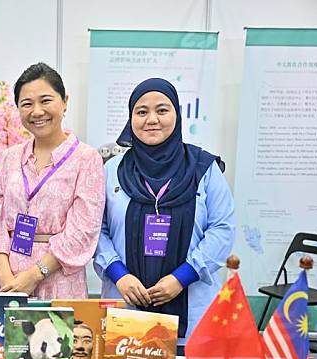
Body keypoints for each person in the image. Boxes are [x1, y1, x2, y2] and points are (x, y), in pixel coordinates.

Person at [94, 77, 235, 345]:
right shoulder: (112, 171)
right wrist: (118, 273)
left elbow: (222, 228)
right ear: (130, 118)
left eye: (162, 110)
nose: (152, 119)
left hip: (191, 306)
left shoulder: (204, 168)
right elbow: (96, 230)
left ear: (177, 114)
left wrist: (183, 276)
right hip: (126, 306)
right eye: (142, 111)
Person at [0, 62, 105, 299]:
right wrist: (4, 275)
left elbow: (83, 230)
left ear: (64, 102)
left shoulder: (86, 159)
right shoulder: (9, 158)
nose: (37, 111)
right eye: (27, 104)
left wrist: (35, 275)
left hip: (59, 280)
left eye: (46, 100)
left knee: (56, 336)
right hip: (10, 281)